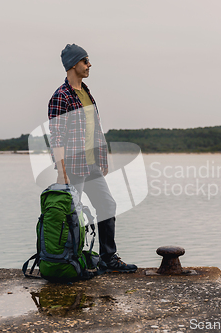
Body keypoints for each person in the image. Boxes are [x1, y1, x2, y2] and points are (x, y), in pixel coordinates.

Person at [48, 44, 137, 273]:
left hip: (91, 164)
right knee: (72, 216)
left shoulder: (86, 92)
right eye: (86, 61)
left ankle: (108, 258)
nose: (89, 65)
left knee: (107, 205)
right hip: (72, 167)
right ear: (73, 64)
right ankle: (69, 260)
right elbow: (56, 136)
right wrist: (61, 171)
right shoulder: (61, 96)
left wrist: (102, 158)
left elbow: (95, 129)